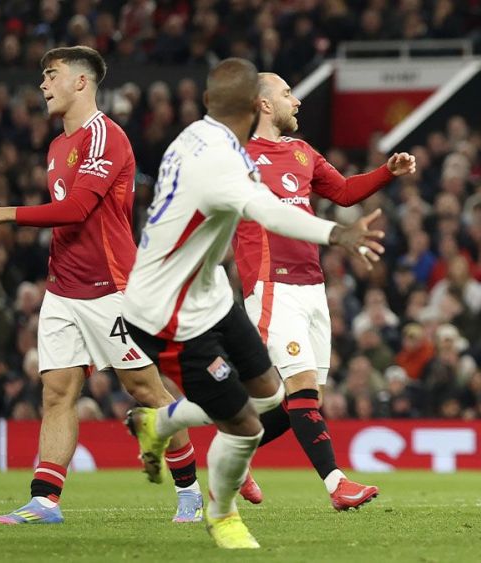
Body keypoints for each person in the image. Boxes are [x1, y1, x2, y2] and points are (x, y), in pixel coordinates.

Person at [122, 58, 384, 549]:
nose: (296, 100)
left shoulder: (215, 144)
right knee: (244, 423)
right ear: (252, 106)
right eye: (285, 93)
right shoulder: (221, 159)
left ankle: (162, 421)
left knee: (270, 399)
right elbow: (269, 212)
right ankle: (226, 516)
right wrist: (338, 234)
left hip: (215, 295)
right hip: (171, 310)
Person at [0, 46, 199, 525]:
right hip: (63, 290)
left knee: (146, 390)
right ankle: (45, 500)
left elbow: (77, 209)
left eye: (51, 75)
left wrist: (5, 213)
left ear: (81, 82)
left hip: (112, 288)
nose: (43, 85)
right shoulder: (57, 146)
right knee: (56, 392)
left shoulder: (106, 137)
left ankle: (191, 494)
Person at [232, 72, 416, 509]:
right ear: (261, 104)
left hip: (313, 285)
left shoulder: (301, 152)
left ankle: (232, 459)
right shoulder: (237, 157)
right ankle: (337, 485)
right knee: (299, 386)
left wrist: (385, 173)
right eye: (287, 93)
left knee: (303, 397)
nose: (296, 101)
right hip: (272, 284)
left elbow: (345, 192)